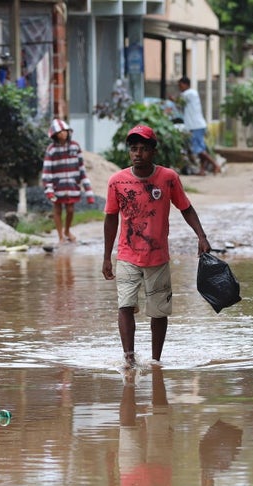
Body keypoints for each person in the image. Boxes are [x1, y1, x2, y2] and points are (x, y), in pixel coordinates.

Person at [102, 124, 212, 366]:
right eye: (133, 149)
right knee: (125, 305)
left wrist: (201, 237)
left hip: (158, 257)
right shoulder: (117, 182)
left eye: (143, 149)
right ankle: (129, 359)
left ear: (153, 152)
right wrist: (106, 256)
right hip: (127, 255)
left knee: (159, 311)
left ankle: (155, 361)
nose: (137, 154)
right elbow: (110, 218)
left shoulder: (168, 178)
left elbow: (186, 208)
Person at [42, 118, 95, 244]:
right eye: (60, 132)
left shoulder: (75, 147)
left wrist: (88, 192)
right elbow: (47, 171)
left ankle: (67, 231)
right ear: (54, 135)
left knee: (70, 209)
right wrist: (49, 189)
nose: (63, 134)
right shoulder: (51, 150)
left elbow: (81, 169)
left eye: (65, 131)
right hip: (57, 187)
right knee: (57, 209)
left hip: (72, 186)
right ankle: (61, 236)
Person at [175, 76, 221, 175]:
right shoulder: (191, 94)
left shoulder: (189, 93)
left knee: (198, 150)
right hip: (198, 125)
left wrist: (172, 99)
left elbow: (178, 100)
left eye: (180, 85)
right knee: (201, 149)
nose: (179, 87)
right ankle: (202, 170)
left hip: (195, 126)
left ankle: (215, 165)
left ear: (186, 84)